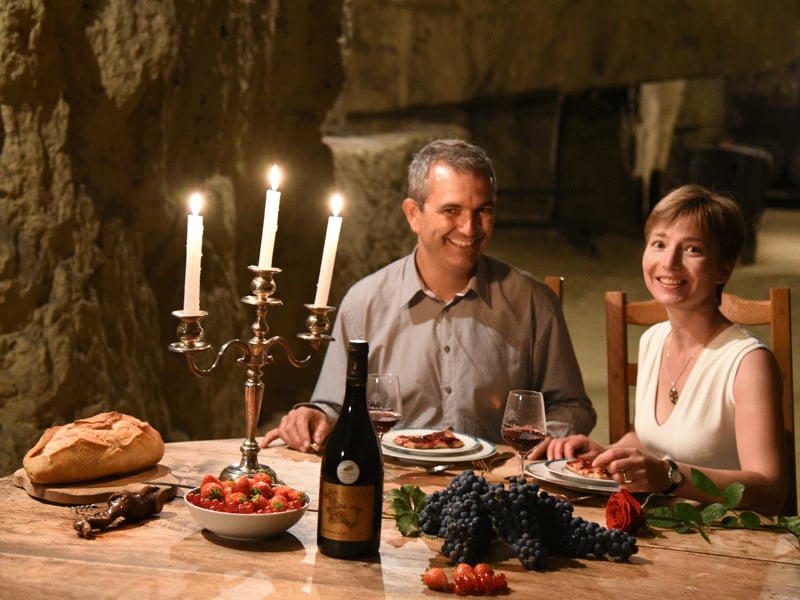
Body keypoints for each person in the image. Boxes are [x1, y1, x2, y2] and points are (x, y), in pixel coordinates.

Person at [262, 139, 595, 452]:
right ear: (413, 214)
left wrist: (550, 436)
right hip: (392, 480)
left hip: (494, 483)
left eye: (483, 210)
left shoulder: (533, 302)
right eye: (452, 211)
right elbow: (334, 406)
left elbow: (571, 406)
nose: (470, 228)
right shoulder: (363, 303)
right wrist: (313, 417)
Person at [548, 184, 787, 515]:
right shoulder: (653, 339)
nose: (669, 262)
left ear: (724, 268)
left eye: (692, 249)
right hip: (661, 524)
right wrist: (606, 454)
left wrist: (670, 477)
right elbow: (650, 438)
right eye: (659, 244)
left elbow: (771, 491)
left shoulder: (749, 363)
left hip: (727, 535)